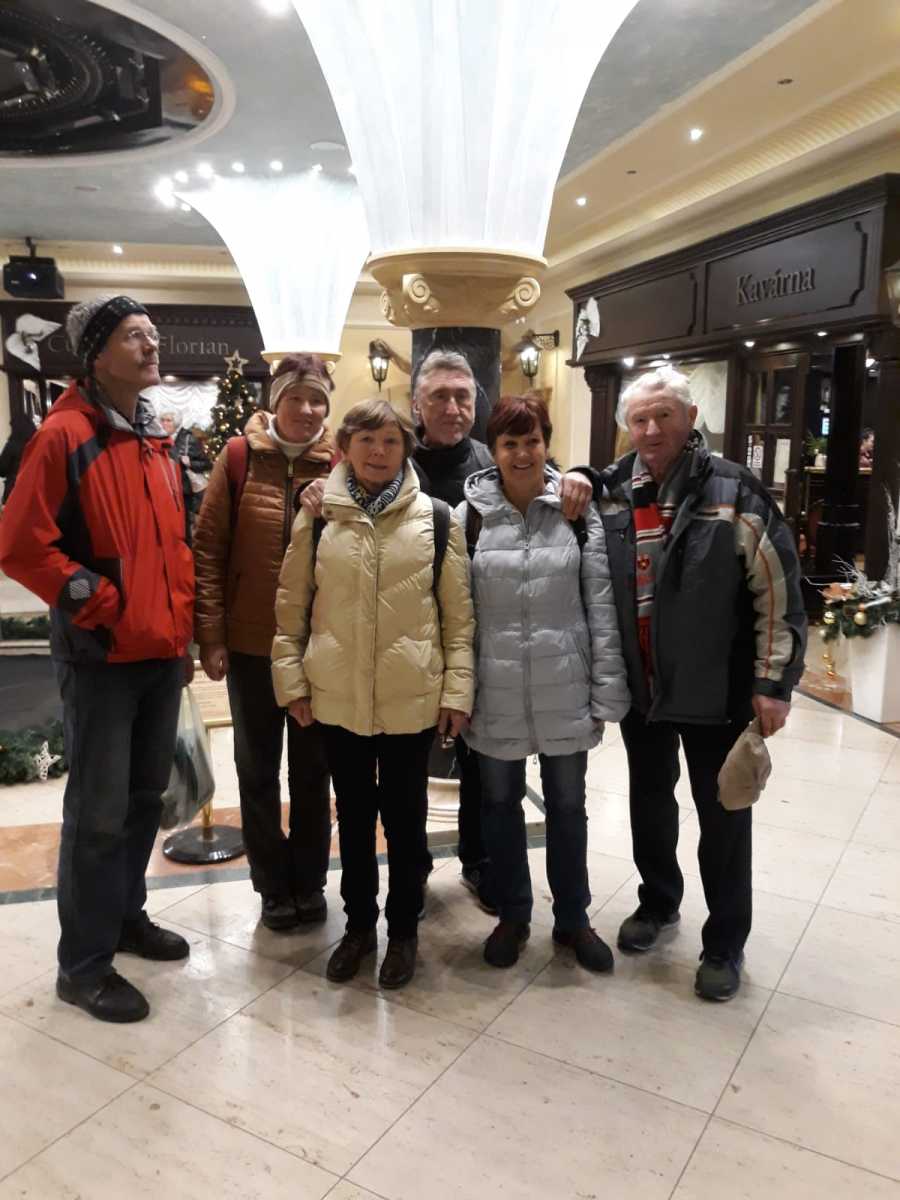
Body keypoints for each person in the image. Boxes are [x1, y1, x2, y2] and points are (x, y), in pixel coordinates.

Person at [298, 349, 593, 913]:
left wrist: (584, 475)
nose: (453, 407)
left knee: (481, 772)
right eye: (440, 396)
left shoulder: (491, 461)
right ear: (417, 404)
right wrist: (309, 492)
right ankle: (410, 871)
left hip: (479, 643)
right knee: (399, 789)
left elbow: (552, 484)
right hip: (399, 646)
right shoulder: (391, 456)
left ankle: (479, 861)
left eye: (463, 396)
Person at [579, 366, 806, 1001]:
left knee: (723, 812)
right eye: (640, 419)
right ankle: (658, 902)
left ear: (691, 419)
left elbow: (777, 589)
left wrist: (774, 682)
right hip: (644, 690)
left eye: (664, 416)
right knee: (650, 801)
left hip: (718, 688)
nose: (652, 429)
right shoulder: (612, 490)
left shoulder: (734, 490)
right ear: (628, 427)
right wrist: (578, 474)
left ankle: (725, 942)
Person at [0, 294, 195, 1024]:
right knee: (98, 813)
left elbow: (172, 546)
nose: (151, 346)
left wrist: (181, 631)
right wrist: (97, 599)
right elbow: (20, 543)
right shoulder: (64, 435)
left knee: (144, 800)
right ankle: (82, 967)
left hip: (159, 652)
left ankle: (123, 918)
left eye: (153, 333)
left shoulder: (153, 436)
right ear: (97, 354)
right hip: (102, 656)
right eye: (135, 336)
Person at [272, 398, 474, 990]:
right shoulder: (319, 517)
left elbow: (459, 618)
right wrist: (292, 682)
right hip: (338, 696)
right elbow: (292, 607)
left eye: (390, 441)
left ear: (406, 449)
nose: (378, 452)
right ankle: (359, 927)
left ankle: (404, 931)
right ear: (345, 448)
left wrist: (456, 692)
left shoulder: (439, 518)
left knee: (407, 822)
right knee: (355, 819)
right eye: (366, 441)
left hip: (412, 697)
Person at [457, 394, 631, 971]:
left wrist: (606, 689)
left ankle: (574, 919)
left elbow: (600, 607)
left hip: (565, 684)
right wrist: (458, 692)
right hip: (495, 688)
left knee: (568, 806)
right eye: (509, 443)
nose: (522, 453)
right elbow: (457, 615)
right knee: (499, 805)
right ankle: (513, 915)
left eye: (531, 440)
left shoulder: (576, 513)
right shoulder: (468, 516)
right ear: (493, 450)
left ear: (546, 444)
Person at [193, 355, 336, 931]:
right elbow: (208, 549)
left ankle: (309, 879)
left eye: (317, 398)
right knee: (256, 769)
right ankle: (272, 884)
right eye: (296, 397)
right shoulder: (238, 458)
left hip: (317, 649)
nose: (307, 409)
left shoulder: (343, 463)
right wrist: (211, 635)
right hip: (252, 646)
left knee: (312, 772)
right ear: (275, 401)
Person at [159, 409, 210, 542]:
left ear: (176, 423)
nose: (164, 423)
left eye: (168, 420)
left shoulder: (189, 439)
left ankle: (185, 548)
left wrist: (190, 463)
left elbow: (206, 464)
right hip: (165, 488)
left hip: (184, 490)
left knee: (184, 523)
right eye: (162, 420)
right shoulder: (158, 438)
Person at [0, 407, 39, 506]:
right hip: (35, 488)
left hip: (14, 489)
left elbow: (2, 469)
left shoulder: (12, 445)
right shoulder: (37, 442)